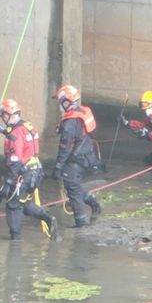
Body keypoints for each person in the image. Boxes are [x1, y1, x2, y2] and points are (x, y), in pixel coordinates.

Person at [0, 99, 58, 240]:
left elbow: (15, 160)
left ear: (7, 115)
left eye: (2, 116)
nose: (2, 119)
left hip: (24, 174)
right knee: (23, 202)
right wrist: (4, 131)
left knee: (13, 204)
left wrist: (8, 183)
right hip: (36, 171)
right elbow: (23, 142)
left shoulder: (14, 134)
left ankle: (15, 239)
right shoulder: (27, 126)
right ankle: (47, 218)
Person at [52, 84, 102, 227]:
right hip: (88, 156)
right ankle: (94, 203)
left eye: (61, 103)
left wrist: (58, 167)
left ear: (66, 102)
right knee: (75, 186)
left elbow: (65, 148)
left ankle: (81, 223)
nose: (60, 106)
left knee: (72, 190)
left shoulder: (69, 124)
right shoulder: (84, 112)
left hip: (75, 159)